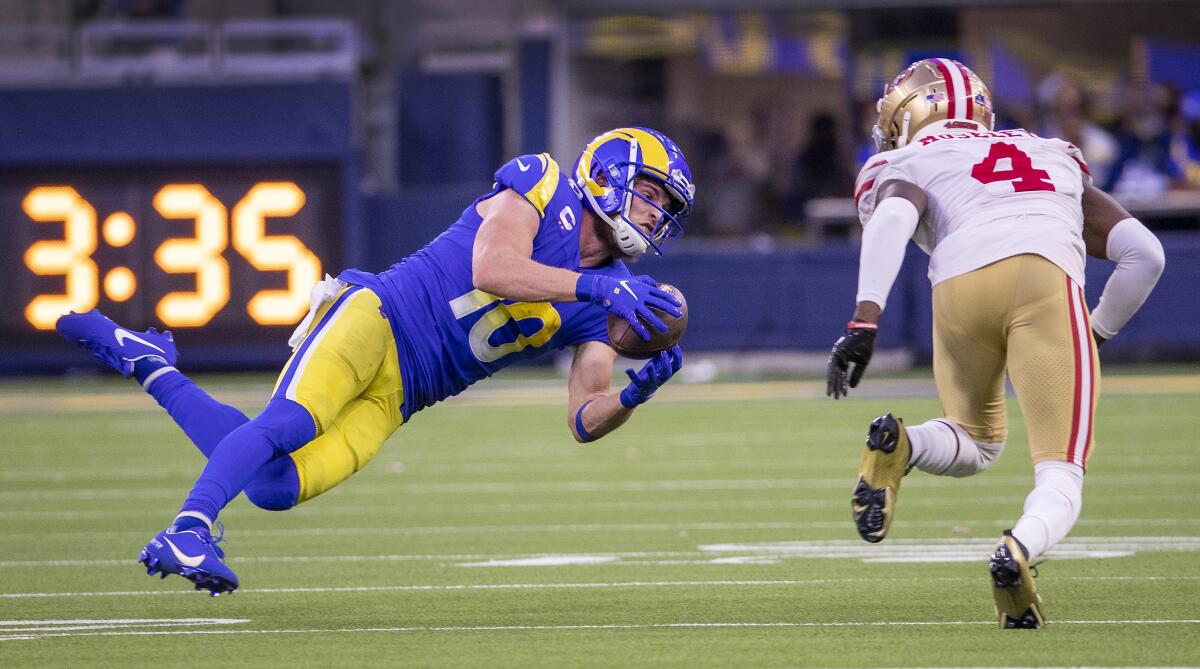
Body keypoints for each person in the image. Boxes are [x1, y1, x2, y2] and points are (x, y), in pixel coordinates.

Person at [57, 126, 697, 596]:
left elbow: (584, 416)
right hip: (381, 317)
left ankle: (149, 364)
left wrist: (633, 397)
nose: (656, 212)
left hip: (404, 397)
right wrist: (593, 287)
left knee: (275, 486)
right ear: (608, 174)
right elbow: (492, 267)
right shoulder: (544, 183)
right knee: (290, 423)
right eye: (651, 193)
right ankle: (187, 528)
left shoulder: (614, 295)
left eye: (667, 208)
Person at [825, 59, 1165, 628]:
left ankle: (902, 445)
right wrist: (1095, 331)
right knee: (1061, 473)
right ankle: (1019, 551)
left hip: (958, 286)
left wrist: (865, 319)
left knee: (976, 440)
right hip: (1043, 279)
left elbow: (893, 218)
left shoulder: (907, 159)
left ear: (908, 114)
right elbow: (1145, 255)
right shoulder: (1051, 152)